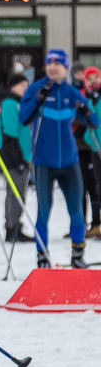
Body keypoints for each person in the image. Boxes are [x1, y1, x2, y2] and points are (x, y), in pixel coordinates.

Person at [19, 49, 100, 269]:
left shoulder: (72, 92)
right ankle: (42, 257)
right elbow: (24, 118)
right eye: (49, 63)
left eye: (57, 63)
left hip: (70, 162)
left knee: (76, 211)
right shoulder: (36, 88)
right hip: (44, 162)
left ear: (65, 68)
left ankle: (77, 254)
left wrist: (85, 109)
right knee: (43, 212)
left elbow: (95, 122)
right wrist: (38, 99)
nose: (52, 67)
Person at [0, 73, 35, 243]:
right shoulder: (10, 104)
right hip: (13, 155)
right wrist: (18, 158)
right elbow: (10, 133)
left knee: (19, 191)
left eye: (27, 85)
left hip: (21, 154)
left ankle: (15, 225)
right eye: (22, 86)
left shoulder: (19, 103)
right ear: (13, 87)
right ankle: (12, 227)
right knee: (15, 192)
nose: (25, 89)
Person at [81, 66, 101, 238]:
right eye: (90, 78)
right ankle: (98, 224)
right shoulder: (87, 101)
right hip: (96, 149)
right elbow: (90, 126)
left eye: (96, 77)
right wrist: (91, 141)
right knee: (97, 185)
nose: (93, 81)